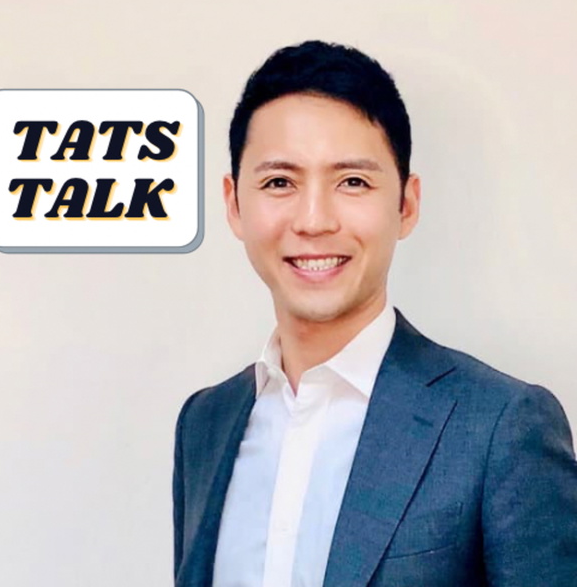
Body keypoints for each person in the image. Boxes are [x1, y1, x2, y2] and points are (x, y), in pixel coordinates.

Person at [172, 41, 577, 587]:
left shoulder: (501, 426)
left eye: (353, 182)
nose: (314, 220)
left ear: (406, 204)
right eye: (279, 182)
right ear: (234, 204)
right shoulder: (204, 422)